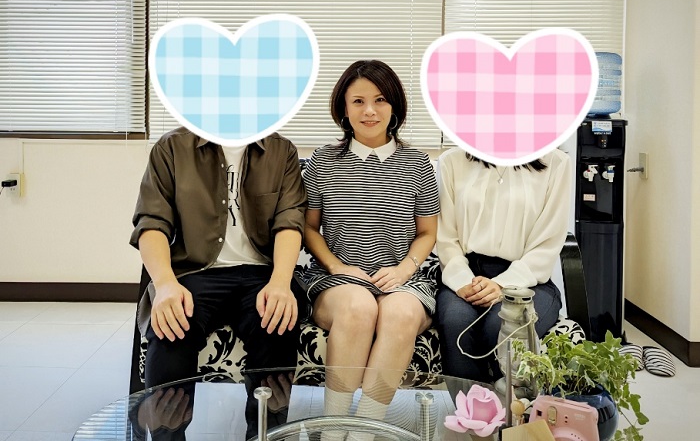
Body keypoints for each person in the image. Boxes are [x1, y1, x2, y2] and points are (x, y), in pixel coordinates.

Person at [130, 127, 306, 438]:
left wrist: (281, 282)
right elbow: (151, 223)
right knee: (172, 329)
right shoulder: (172, 148)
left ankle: (266, 434)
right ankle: (167, 435)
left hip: (261, 274)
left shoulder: (281, 150)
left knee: (277, 324)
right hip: (194, 273)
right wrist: (166, 285)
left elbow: (289, 221)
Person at [301, 60, 439, 440]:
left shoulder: (418, 163)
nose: (370, 111)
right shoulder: (322, 161)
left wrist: (405, 269)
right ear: (343, 109)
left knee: (399, 314)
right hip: (337, 279)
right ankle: (333, 431)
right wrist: (337, 266)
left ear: (394, 106)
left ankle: (364, 432)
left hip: (402, 277)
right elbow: (308, 228)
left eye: (380, 100)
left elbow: (427, 232)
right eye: (358, 101)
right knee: (359, 307)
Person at [435, 147, 571, 382]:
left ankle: (513, 404)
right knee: (456, 322)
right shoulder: (452, 161)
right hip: (466, 277)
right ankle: (467, 404)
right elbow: (446, 236)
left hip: (528, 281)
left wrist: (502, 284)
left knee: (501, 326)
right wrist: (463, 281)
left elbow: (547, 242)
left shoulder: (557, 163)